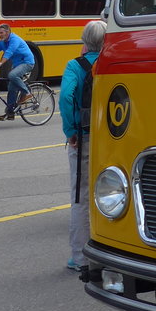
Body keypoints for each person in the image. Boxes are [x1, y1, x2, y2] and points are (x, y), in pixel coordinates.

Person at [60, 19, 106, 272]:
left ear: (84, 40)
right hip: (111, 138)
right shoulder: (111, 64)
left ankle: (81, 257)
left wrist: (71, 131)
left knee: (81, 195)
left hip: (84, 136)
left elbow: (66, 97)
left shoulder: (75, 66)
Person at [0, 22, 36, 120]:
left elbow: (9, 52)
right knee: (11, 88)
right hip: (17, 65)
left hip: (27, 62)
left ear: (8, 32)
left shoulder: (15, 40)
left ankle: (27, 93)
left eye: (1, 33)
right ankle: (10, 113)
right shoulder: (1, 42)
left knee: (12, 75)